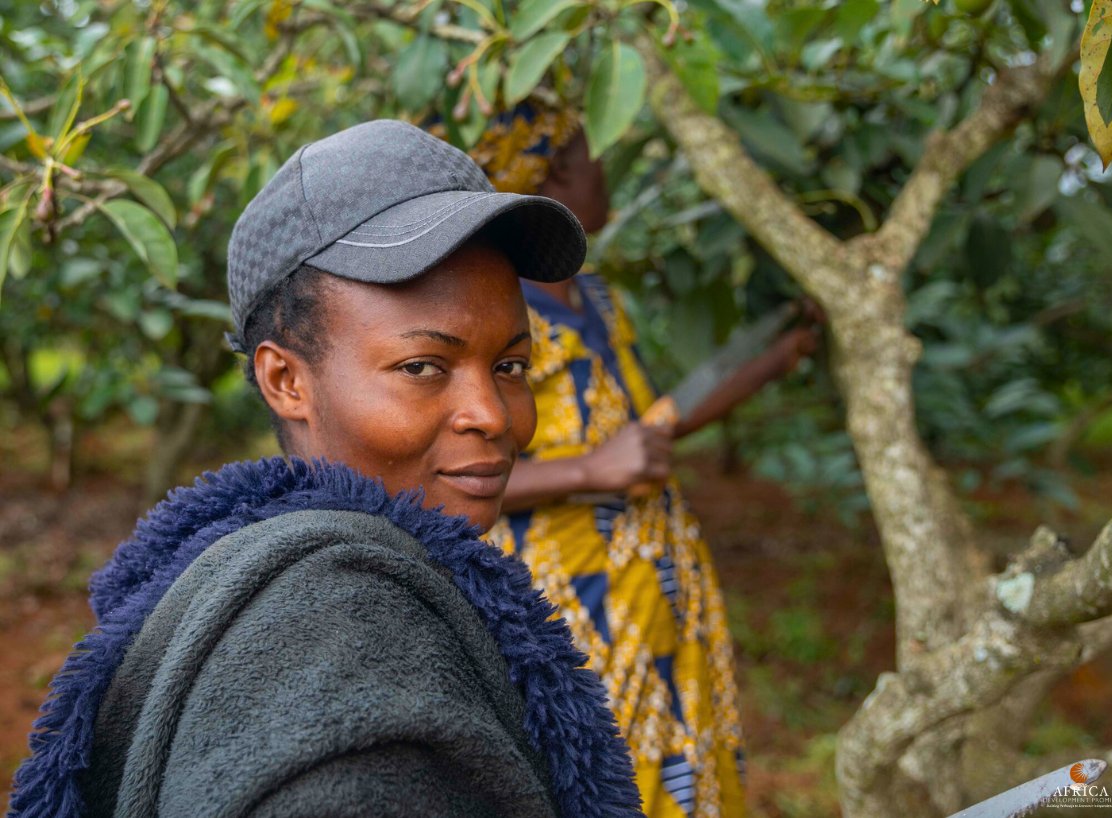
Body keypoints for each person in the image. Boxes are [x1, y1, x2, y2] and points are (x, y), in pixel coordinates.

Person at [9, 121, 644, 818]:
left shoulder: (298, 572)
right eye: (422, 367)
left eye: (510, 366)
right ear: (286, 379)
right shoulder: (344, 636)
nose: (492, 414)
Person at [465, 103, 819, 818]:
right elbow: (457, 473)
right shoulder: (498, 315)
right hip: (577, 605)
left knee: (687, 766)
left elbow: (653, 424)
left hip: (659, 587)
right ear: (557, 174)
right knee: (612, 779)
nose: (606, 171)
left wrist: (774, 360)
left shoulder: (597, 297)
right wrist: (591, 471)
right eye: (595, 157)